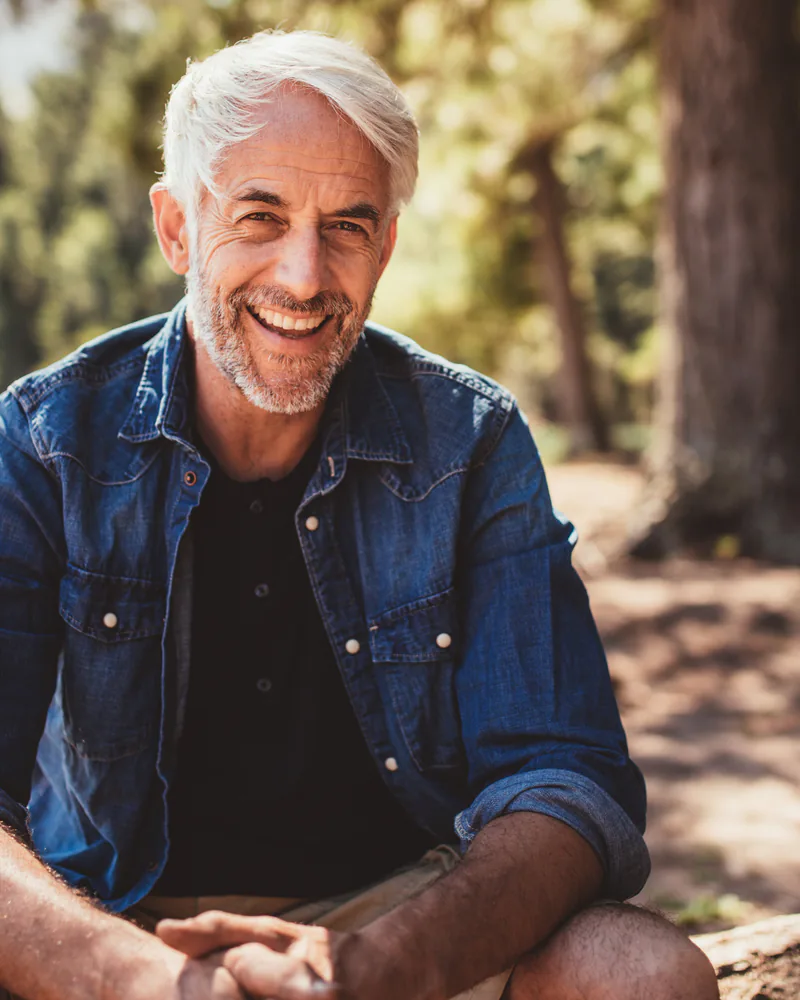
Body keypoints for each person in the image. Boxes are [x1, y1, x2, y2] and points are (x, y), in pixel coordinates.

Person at [0, 29, 717, 1000]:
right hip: (115, 923)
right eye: (259, 216)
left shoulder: (468, 439)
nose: (303, 276)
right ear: (176, 229)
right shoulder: (45, 439)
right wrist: (143, 981)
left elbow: (564, 780)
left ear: (383, 242)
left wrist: (370, 970)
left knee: (633, 971)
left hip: (403, 918)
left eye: (346, 223)